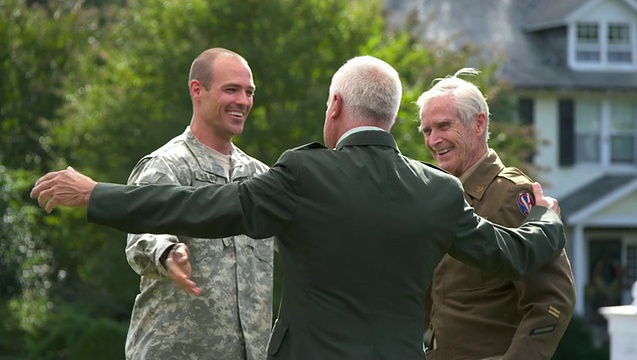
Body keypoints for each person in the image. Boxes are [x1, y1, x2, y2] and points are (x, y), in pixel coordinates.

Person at [31, 56, 566, 360]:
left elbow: (197, 207)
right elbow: (512, 253)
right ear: (393, 116)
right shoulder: (437, 192)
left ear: (335, 106)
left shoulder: (303, 175)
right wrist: (548, 220)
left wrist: (97, 193)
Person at [121, 48, 274, 360]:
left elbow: (306, 238)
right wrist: (167, 253)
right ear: (197, 90)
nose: (243, 101)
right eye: (231, 89)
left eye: (249, 92)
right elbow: (140, 236)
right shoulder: (167, 165)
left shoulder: (260, 177)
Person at [416, 68, 576, 360]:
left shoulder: (511, 195)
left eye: (443, 126)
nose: (433, 140)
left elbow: (552, 299)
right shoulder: (438, 199)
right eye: (427, 130)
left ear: (478, 124)